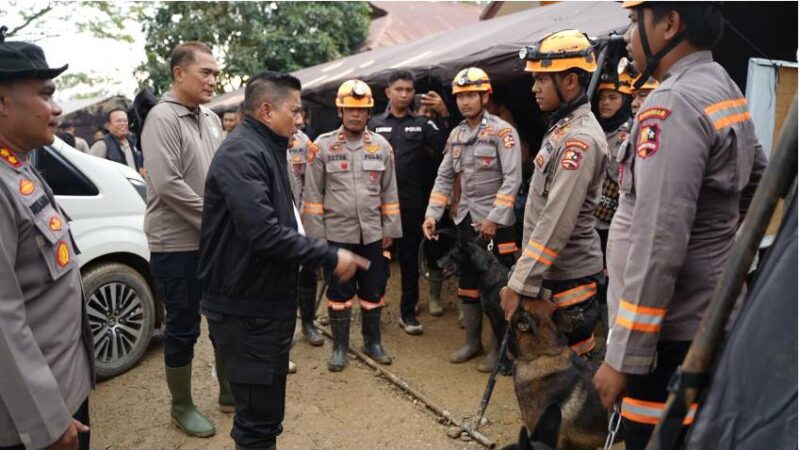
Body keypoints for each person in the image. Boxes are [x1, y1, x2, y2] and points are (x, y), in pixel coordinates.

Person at [591, 3, 766, 449]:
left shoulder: (672, 103)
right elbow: (759, 176)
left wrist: (623, 358)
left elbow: (658, 241)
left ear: (670, 23)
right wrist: (716, 242)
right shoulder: (722, 86)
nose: (628, 35)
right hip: (705, 319)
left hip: (668, 339)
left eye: (635, 21)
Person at [199, 70, 367, 450]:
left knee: (266, 417)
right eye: (295, 110)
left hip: (262, 304)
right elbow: (262, 233)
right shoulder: (243, 153)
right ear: (266, 110)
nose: (301, 119)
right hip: (247, 309)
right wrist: (327, 254)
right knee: (257, 425)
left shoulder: (266, 147)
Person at [0, 35, 95, 450]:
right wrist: (47, 421)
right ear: (2, 103)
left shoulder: (16, 164)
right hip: (33, 421)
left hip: (62, 387)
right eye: (45, 94)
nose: (57, 109)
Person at [499, 29, 609, 358]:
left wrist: (520, 283)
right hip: (553, 276)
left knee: (568, 379)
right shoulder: (561, 127)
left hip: (569, 281)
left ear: (571, 80)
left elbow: (556, 219)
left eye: (542, 80)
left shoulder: (580, 140)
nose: (534, 89)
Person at [141, 41, 226, 438]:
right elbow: (168, 185)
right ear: (179, 73)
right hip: (176, 246)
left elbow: (221, 173)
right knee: (183, 326)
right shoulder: (162, 117)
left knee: (224, 317)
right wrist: (217, 220)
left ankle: (228, 391)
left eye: (215, 72)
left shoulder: (210, 117)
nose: (214, 79)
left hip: (212, 241)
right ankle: (182, 405)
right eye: (205, 72)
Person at [423, 67, 522, 372]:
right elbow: (443, 177)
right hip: (466, 220)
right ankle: (472, 343)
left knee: (497, 287)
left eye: (471, 96)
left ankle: (500, 352)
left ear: (485, 96)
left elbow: (512, 179)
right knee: (468, 283)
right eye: (460, 96)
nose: (465, 102)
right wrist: (432, 214)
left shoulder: (503, 132)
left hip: (498, 225)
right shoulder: (456, 134)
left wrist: (494, 218)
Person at [303, 79, 403, 371]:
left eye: (361, 110)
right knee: (339, 292)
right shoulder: (321, 147)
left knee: (373, 291)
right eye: (350, 110)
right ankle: (340, 348)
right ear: (340, 111)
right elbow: (312, 197)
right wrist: (317, 238)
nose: (355, 115)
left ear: (369, 112)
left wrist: (389, 230)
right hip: (336, 235)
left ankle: (373, 343)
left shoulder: (381, 146)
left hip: (372, 233)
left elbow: (390, 193)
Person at [368, 70, 448, 333]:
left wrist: (444, 113)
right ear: (387, 92)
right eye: (399, 89)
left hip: (412, 204)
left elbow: (448, 149)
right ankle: (373, 311)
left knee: (410, 261)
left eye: (409, 90)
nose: (404, 94)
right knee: (377, 260)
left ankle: (408, 313)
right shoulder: (374, 124)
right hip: (378, 206)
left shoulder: (424, 125)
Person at [286, 111, 325, 350]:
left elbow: (313, 183)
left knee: (307, 274)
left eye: (299, 113)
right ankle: (285, 329)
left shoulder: (304, 144)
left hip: (303, 218)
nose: (298, 120)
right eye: (293, 112)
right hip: (277, 221)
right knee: (282, 278)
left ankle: (308, 323)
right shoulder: (260, 142)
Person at [90, 108, 144, 176]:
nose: (123, 124)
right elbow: (92, 170)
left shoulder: (133, 142)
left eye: (125, 120)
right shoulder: (101, 145)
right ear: (108, 126)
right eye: (119, 121)